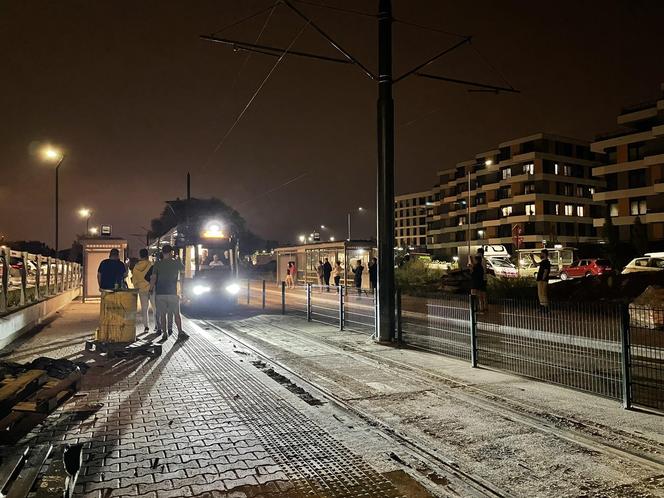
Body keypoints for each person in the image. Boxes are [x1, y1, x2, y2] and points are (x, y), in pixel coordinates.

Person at [150, 244, 188, 341]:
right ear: (171, 252)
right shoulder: (177, 263)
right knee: (176, 314)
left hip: (160, 293)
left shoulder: (157, 264)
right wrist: (183, 290)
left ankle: (164, 333)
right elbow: (183, 274)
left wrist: (150, 289)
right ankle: (180, 332)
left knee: (163, 314)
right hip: (172, 293)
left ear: (162, 253)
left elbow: (153, 277)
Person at [131, 248, 153, 332]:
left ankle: (146, 326)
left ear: (140, 256)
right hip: (151, 289)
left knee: (144, 308)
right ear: (147, 255)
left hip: (141, 290)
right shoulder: (151, 264)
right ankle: (157, 326)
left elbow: (134, 280)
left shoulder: (136, 267)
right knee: (155, 307)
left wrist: (138, 287)